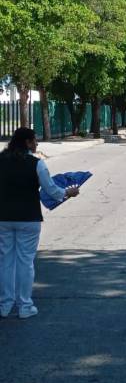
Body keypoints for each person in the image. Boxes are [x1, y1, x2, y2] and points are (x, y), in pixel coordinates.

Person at [0, 128, 80, 319]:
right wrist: (69, 192)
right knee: (25, 262)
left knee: (5, 261)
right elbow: (52, 191)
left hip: (3, 218)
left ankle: (4, 304)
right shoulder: (37, 164)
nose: (37, 144)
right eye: (35, 140)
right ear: (27, 142)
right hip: (29, 218)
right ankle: (25, 306)